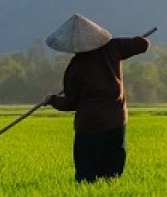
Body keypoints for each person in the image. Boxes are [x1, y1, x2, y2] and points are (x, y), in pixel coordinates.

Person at [43, 14, 150, 182]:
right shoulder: (114, 48)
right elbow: (143, 45)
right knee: (112, 173)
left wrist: (52, 100)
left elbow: (71, 102)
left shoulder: (75, 68)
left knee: (86, 176)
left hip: (89, 126)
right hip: (116, 121)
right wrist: (138, 41)